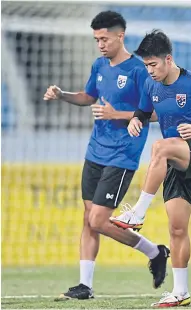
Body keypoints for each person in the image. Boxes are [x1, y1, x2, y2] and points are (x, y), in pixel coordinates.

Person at [43, 11, 169, 301]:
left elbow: (154, 114)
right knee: (89, 218)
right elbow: (88, 96)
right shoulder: (99, 65)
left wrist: (118, 115)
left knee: (99, 220)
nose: (100, 44)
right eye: (97, 39)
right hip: (95, 151)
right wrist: (62, 94)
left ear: (120, 35)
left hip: (122, 155)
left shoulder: (139, 71)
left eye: (104, 38)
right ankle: (84, 285)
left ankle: (154, 251)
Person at [109, 30, 191, 307]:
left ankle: (137, 213)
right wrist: (136, 120)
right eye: (146, 65)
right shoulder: (151, 85)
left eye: (153, 64)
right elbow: (143, 111)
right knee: (177, 229)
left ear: (168, 59)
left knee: (160, 147)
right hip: (177, 162)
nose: (150, 70)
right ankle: (181, 292)